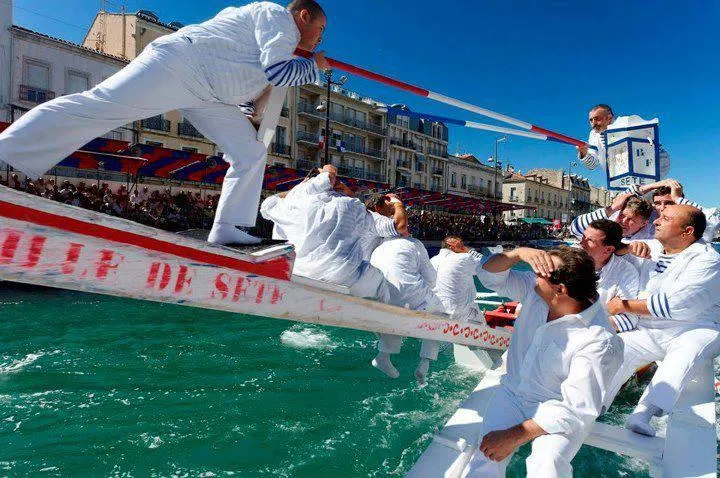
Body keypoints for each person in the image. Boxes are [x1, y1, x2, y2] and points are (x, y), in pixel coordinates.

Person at [0, 0, 330, 245]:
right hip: (177, 65)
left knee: (250, 152)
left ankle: (228, 227)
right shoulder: (277, 18)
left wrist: (249, 111)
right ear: (303, 16)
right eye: (321, 29)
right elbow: (279, 71)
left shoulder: (273, 39)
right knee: (102, 106)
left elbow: (256, 81)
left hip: (208, 94)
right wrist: (314, 65)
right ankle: (7, 149)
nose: (320, 38)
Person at [462, 246, 622, 478]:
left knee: (547, 466)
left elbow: (578, 408)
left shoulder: (599, 340)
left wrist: (514, 435)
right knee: (484, 458)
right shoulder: (536, 290)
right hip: (513, 393)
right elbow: (486, 274)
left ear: (560, 289)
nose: (533, 274)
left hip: (559, 407)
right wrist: (517, 254)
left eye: (540, 272)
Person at [604, 204, 720, 437]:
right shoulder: (654, 246)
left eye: (665, 219)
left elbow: (675, 305)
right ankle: (596, 403)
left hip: (695, 328)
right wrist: (625, 249)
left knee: (687, 349)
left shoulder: (708, 260)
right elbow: (609, 248)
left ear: (687, 231)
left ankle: (644, 413)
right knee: (615, 348)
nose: (656, 221)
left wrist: (622, 306)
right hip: (650, 329)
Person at [260, 164, 404, 301]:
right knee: (379, 280)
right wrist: (397, 202)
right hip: (345, 278)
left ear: (306, 182)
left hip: (299, 274)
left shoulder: (289, 203)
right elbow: (398, 226)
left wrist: (303, 187)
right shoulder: (352, 205)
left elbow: (266, 205)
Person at [369, 236, 445, 383]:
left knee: (397, 314)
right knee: (440, 316)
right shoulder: (414, 243)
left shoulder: (378, 246)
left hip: (382, 296)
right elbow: (431, 278)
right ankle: (425, 362)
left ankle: (383, 356)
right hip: (409, 293)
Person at [578, 219, 640, 332]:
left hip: (591, 335)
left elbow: (629, 318)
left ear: (609, 249)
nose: (582, 243)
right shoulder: (568, 259)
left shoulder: (626, 272)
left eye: (590, 240)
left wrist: (582, 328)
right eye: (583, 237)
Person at [576, 104, 669, 177]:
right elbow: (592, 165)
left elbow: (652, 132)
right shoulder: (593, 135)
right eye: (591, 120)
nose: (593, 123)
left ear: (609, 118)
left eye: (597, 119)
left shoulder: (626, 122)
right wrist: (583, 153)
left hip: (648, 171)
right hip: (620, 179)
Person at [624, 178, 720, 243]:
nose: (662, 208)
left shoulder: (689, 221)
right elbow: (620, 201)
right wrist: (655, 185)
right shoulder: (649, 215)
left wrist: (678, 198)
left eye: (669, 203)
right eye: (658, 203)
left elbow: (713, 220)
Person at [430, 235, 485, 323]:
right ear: (453, 246)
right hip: (459, 314)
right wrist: (468, 250)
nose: (463, 247)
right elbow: (488, 264)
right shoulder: (464, 258)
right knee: (482, 324)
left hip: (434, 311)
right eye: (461, 245)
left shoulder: (432, 260)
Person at [570, 192, 654, 241]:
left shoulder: (651, 239)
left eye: (631, 219)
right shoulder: (609, 224)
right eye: (622, 215)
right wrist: (612, 208)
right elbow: (575, 228)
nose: (623, 221)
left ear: (644, 223)